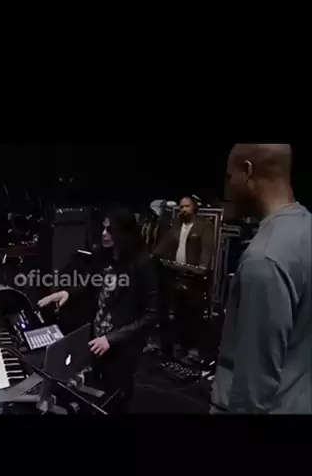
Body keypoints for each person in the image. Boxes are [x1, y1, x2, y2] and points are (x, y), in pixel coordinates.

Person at [211, 143, 311, 414]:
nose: (228, 188)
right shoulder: (306, 228)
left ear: (247, 171)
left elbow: (253, 389)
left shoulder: (263, 258)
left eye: (230, 177)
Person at [38, 207, 156, 411]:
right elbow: (90, 286)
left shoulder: (144, 264)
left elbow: (151, 315)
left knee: (117, 400)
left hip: (122, 347)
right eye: (103, 228)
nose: (103, 233)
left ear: (124, 232)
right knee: (97, 397)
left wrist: (112, 339)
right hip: (97, 340)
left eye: (110, 230)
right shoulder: (104, 257)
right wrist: (67, 293)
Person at [154, 196, 214, 361]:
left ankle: (193, 349)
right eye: (181, 207)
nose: (183, 210)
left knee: (194, 315)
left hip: (194, 278)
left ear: (194, 208)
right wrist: (153, 257)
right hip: (176, 275)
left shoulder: (204, 226)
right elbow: (163, 245)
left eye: (187, 207)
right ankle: (177, 348)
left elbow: (206, 251)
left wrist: (201, 268)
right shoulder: (176, 225)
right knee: (177, 313)